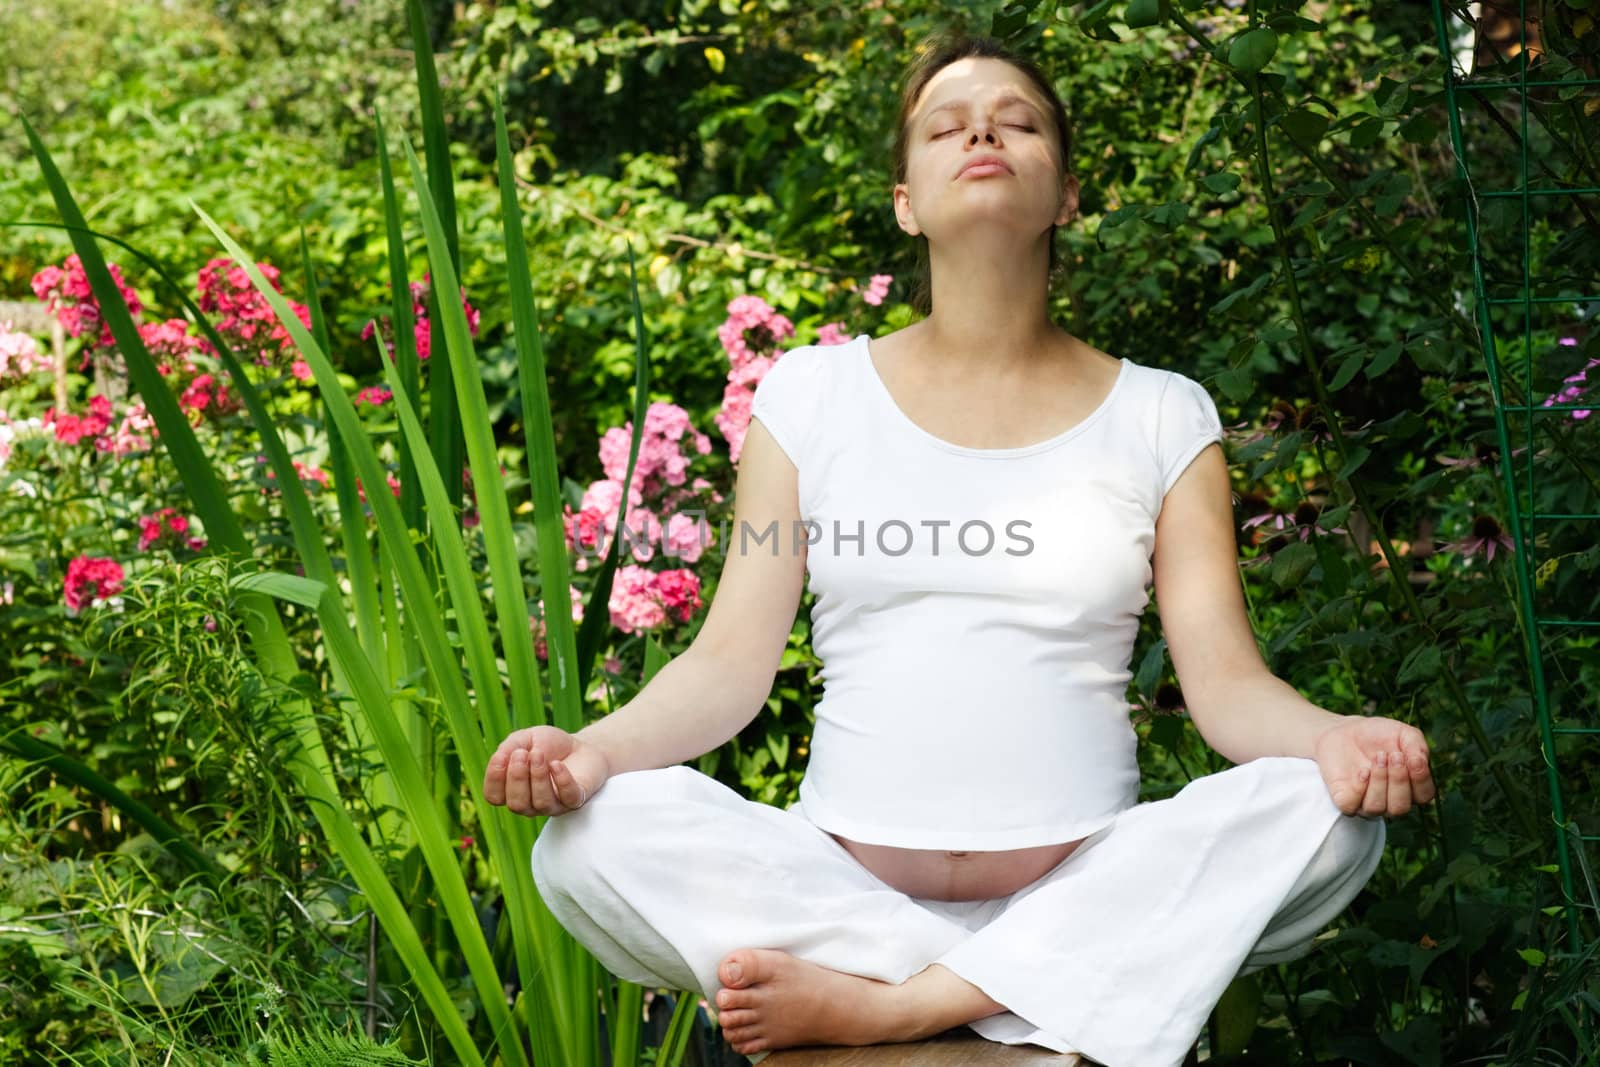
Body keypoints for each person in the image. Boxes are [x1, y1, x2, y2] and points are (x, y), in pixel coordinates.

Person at [481, 30, 1437, 1067]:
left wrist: (1332, 735)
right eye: (947, 124)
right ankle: (1020, 984)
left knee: (1328, 813)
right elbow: (726, 664)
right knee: (587, 836)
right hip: (838, 891)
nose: (981, 129)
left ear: (1066, 194)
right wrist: (596, 751)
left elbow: (1226, 687)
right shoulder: (809, 396)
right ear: (905, 201)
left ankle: (901, 1001)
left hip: (1084, 880)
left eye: (1016, 120)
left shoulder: (1163, 413)